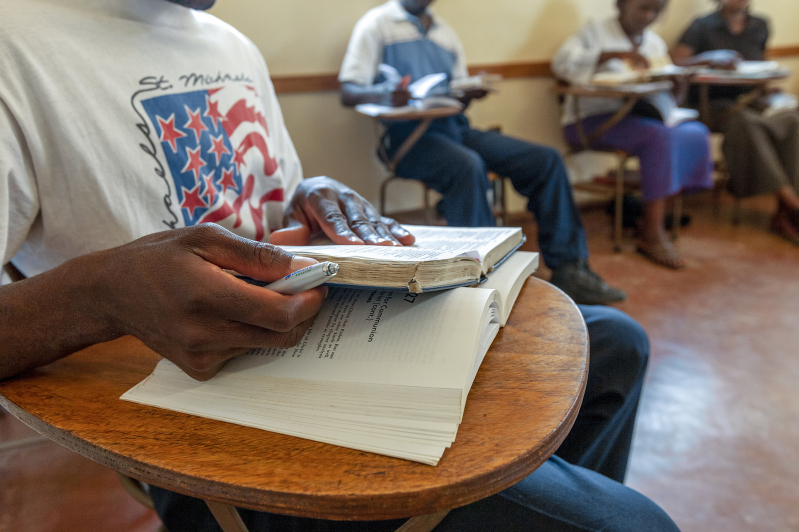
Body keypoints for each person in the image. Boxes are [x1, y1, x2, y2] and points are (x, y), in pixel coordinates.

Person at [0, 1, 680, 531]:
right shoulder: (18, 45)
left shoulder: (225, 42)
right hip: (205, 425)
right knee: (635, 524)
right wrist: (101, 293)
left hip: (310, 336)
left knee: (615, 344)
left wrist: (311, 188)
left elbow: (266, 206)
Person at [338, 0, 627, 304]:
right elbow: (349, 90)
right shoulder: (377, 24)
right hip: (406, 139)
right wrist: (385, 93)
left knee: (546, 160)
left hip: (455, 128)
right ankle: (485, 278)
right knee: (467, 166)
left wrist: (468, 93)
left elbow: (455, 92)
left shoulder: (445, 34)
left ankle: (571, 269)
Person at [552, 0, 714, 270]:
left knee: (695, 132)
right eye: (643, 8)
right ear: (622, 5)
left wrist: (678, 86)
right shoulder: (594, 32)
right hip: (591, 121)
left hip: (640, 117)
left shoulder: (654, 43)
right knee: (658, 138)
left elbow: (667, 98)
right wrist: (610, 55)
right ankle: (651, 233)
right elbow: (561, 64)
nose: (649, 16)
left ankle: (656, 213)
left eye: (656, 11)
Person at [672, 0, 799, 245]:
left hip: (748, 100)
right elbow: (676, 64)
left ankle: (784, 212)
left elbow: (760, 64)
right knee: (745, 123)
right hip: (709, 105)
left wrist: (768, 89)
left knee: (792, 121)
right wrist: (708, 59)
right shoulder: (702, 26)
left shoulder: (759, 25)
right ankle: (790, 202)